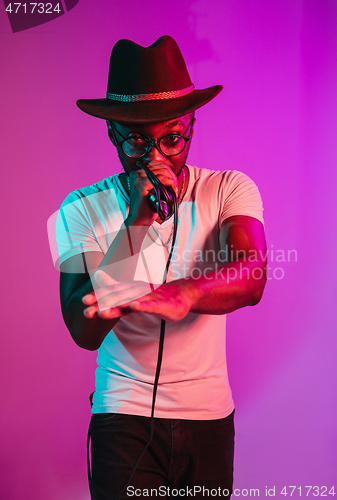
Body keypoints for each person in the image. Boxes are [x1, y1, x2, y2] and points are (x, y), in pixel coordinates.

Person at [54, 35, 267, 499]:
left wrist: (187, 292)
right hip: (122, 420)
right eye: (136, 141)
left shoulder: (228, 190)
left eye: (172, 138)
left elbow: (252, 275)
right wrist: (136, 221)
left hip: (208, 420)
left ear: (190, 125)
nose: (157, 156)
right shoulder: (79, 210)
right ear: (112, 133)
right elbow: (83, 329)